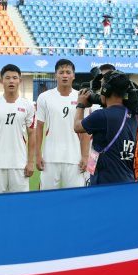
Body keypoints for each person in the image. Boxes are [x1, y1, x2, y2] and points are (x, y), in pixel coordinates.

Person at [74, 70, 138, 185]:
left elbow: (77, 126)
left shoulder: (102, 115)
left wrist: (81, 105)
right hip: (127, 179)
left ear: (106, 90)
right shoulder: (133, 115)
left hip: (105, 182)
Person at [0, 64, 35, 194]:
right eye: (8, 78)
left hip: (20, 165)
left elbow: (32, 134)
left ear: (20, 81)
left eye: (15, 78)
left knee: (20, 206)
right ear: (1, 81)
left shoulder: (28, 105)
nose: (11, 81)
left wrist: (30, 162)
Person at [35, 59, 86, 189]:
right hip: (50, 159)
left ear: (73, 76)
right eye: (61, 72)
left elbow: (85, 130)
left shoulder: (82, 98)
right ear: (55, 75)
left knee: (75, 200)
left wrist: (85, 156)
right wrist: (37, 154)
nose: (64, 75)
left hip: (74, 159)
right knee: (47, 200)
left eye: (68, 72)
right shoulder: (44, 97)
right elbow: (39, 128)